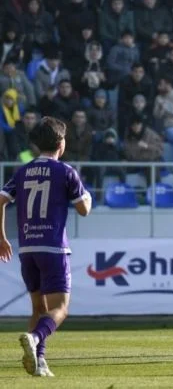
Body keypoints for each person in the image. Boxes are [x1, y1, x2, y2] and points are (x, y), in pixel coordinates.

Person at [0, 117, 92, 378]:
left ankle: (39, 362)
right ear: (61, 143)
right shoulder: (65, 171)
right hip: (54, 248)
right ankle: (35, 337)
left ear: (37, 144)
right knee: (61, 308)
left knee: (39, 309)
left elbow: (0, 200)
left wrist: (1, 238)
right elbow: (83, 210)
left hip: (27, 249)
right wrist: (88, 196)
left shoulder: (23, 170)